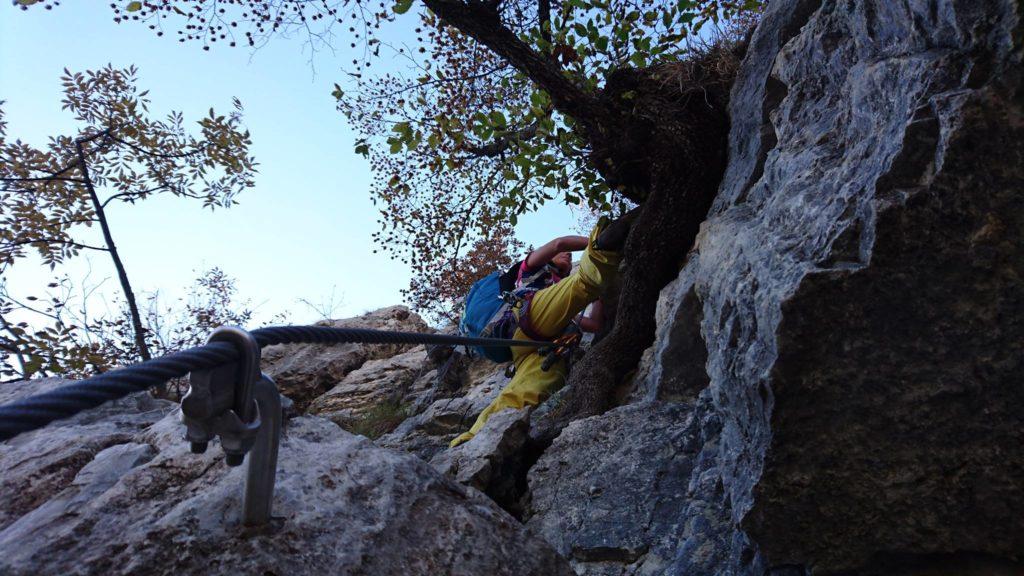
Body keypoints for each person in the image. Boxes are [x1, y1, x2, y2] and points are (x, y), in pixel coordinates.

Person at [450, 213, 633, 447]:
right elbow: (560, 244)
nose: (567, 254)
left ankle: (472, 439)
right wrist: (591, 244)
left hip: (529, 345)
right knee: (584, 282)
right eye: (563, 256)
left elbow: (592, 325)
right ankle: (606, 245)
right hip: (525, 316)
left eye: (570, 256)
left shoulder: (556, 291)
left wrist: (596, 295)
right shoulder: (530, 270)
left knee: (529, 391)